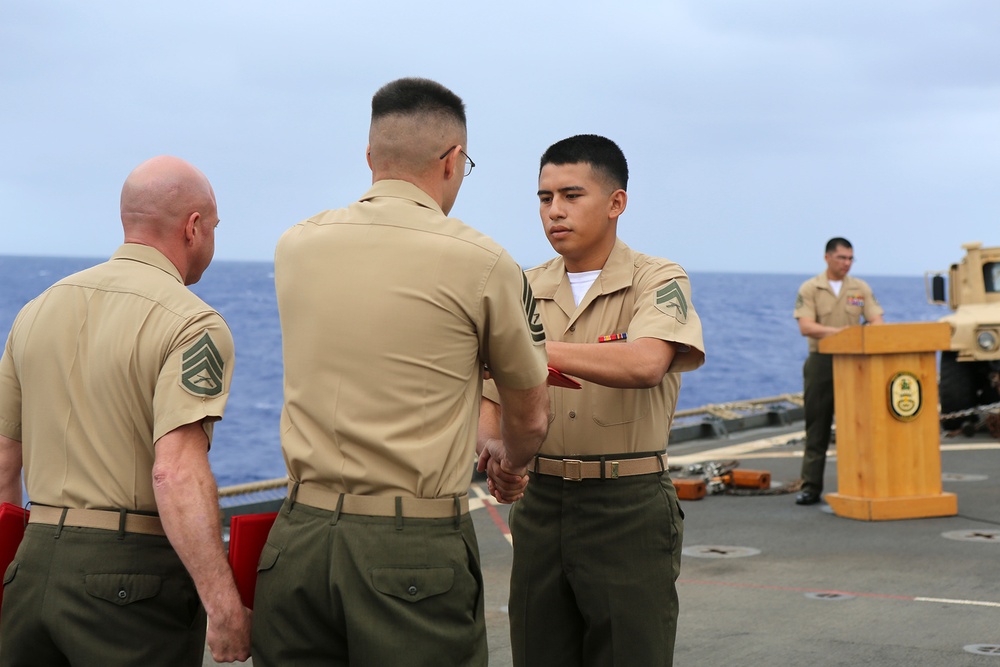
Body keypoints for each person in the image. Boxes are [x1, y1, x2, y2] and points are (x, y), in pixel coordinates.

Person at [250, 77, 551, 667]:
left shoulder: (295, 245)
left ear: (370, 158)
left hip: (299, 538)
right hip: (409, 551)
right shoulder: (482, 261)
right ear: (453, 160)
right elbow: (531, 413)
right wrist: (511, 462)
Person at [0, 156, 251, 664]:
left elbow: (5, 463)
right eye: (215, 228)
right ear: (194, 226)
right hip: (129, 583)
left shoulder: (36, 310)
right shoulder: (193, 324)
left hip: (31, 568)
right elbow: (175, 472)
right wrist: (224, 606)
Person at [479, 134, 706, 667]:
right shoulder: (521, 288)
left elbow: (646, 362)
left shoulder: (658, 279)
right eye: (544, 197)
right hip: (541, 502)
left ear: (616, 203)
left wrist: (528, 349)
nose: (554, 210)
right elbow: (491, 395)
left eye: (571, 195)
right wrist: (498, 453)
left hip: (627, 504)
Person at [793, 237, 884, 505]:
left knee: (857, 425)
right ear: (827, 258)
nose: (846, 263)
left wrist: (868, 335)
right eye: (842, 258)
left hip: (855, 363)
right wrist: (844, 334)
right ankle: (810, 486)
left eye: (850, 258)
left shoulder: (860, 288)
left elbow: (877, 320)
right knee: (817, 426)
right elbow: (806, 326)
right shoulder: (811, 288)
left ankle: (859, 483)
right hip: (821, 361)